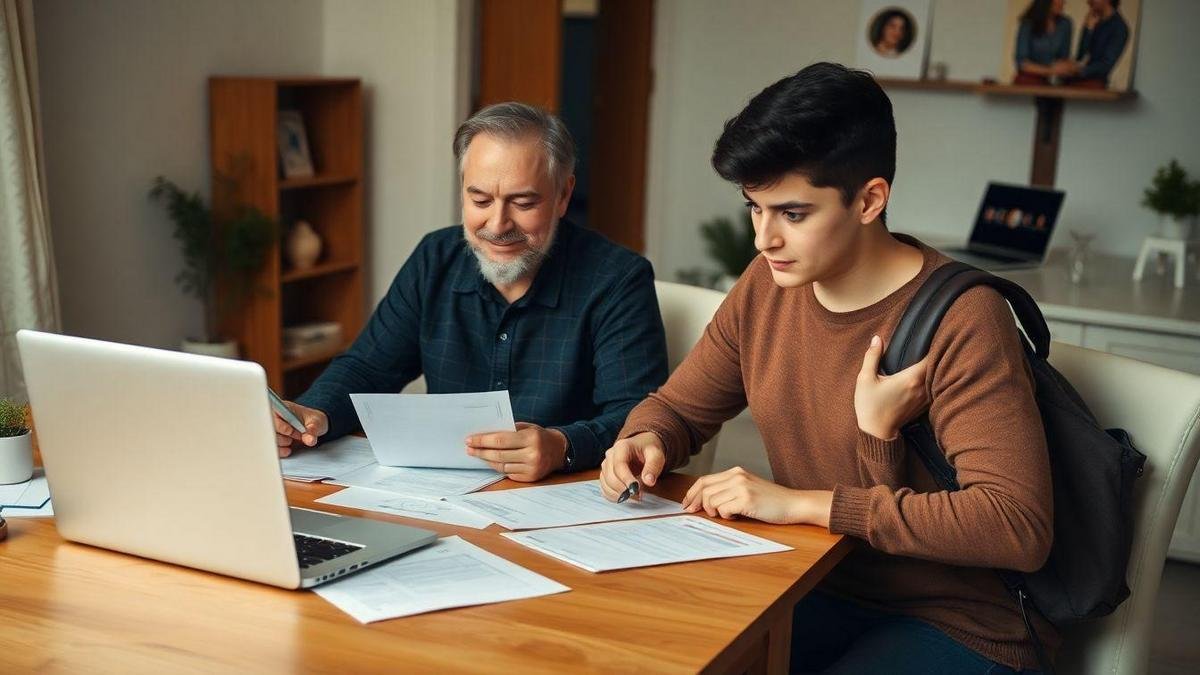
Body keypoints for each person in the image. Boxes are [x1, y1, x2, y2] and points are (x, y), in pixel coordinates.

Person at [601, 63, 1053, 673]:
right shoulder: (768, 285)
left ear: (869, 200)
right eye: (753, 209)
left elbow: (1015, 525)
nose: (764, 239)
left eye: (792, 214)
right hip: (813, 584)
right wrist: (644, 439)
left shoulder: (965, 319)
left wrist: (803, 505)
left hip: (955, 621)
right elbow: (680, 406)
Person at [274, 102, 668, 482]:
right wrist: (312, 413)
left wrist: (563, 446)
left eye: (523, 202)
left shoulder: (618, 279)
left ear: (564, 195)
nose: (497, 225)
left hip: (566, 497)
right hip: (444, 494)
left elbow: (639, 416)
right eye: (480, 200)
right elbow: (368, 368)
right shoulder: (435, 258)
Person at [1054, 0, 1129, 88]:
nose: (1088, 2)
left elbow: (1105, 65)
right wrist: (1088, 30)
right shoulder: (1093, 19)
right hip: (1073, 80)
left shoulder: (1119, 28)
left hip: (1093, 84)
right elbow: (1080, 56)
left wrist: (1077, 70)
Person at [1013, 0, 1073, 85]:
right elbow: (1021, 63)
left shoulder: (1065, 24)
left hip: (1052, 81)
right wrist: (1050, 70)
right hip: (1029, 79)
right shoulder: (1028, 23)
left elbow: (1064, 58)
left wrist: (1068, 67)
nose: (1063, 2)